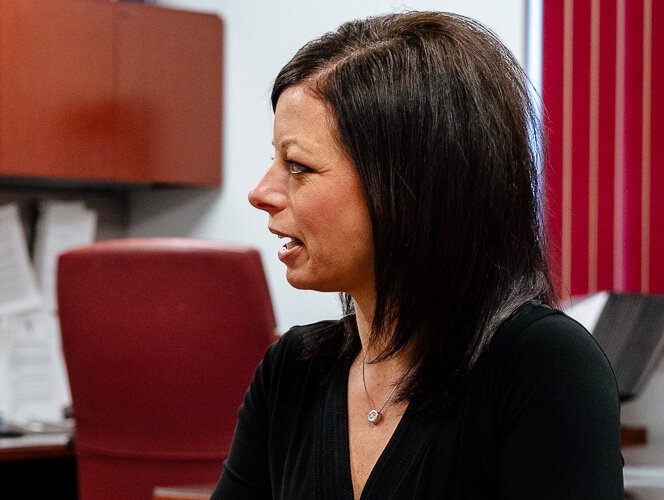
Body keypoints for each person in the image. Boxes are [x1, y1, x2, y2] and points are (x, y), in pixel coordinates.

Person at [215, 12, 622, 499]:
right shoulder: (292, 371)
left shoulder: (544, 365)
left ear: (409, 188)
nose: (261, 192)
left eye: (298, 165)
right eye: (274, 160)